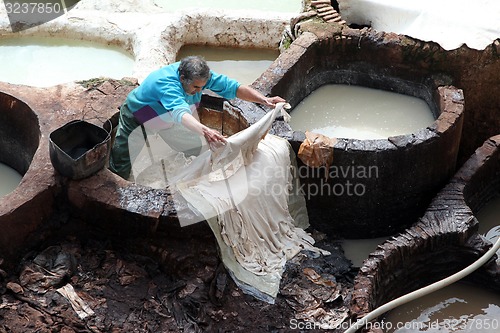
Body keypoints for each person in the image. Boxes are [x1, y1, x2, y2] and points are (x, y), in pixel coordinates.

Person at [108, 55, 286, 179]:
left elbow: (234, 87)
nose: (200, 91)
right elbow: (180, 112)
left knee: (198, 148)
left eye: (203, 86)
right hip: (139, 116)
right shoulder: (166, 84)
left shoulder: (201, 77)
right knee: (121, 163)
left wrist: (264, 99)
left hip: (167, 121)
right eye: (195, 87)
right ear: (182, 77)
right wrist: (205, 130)